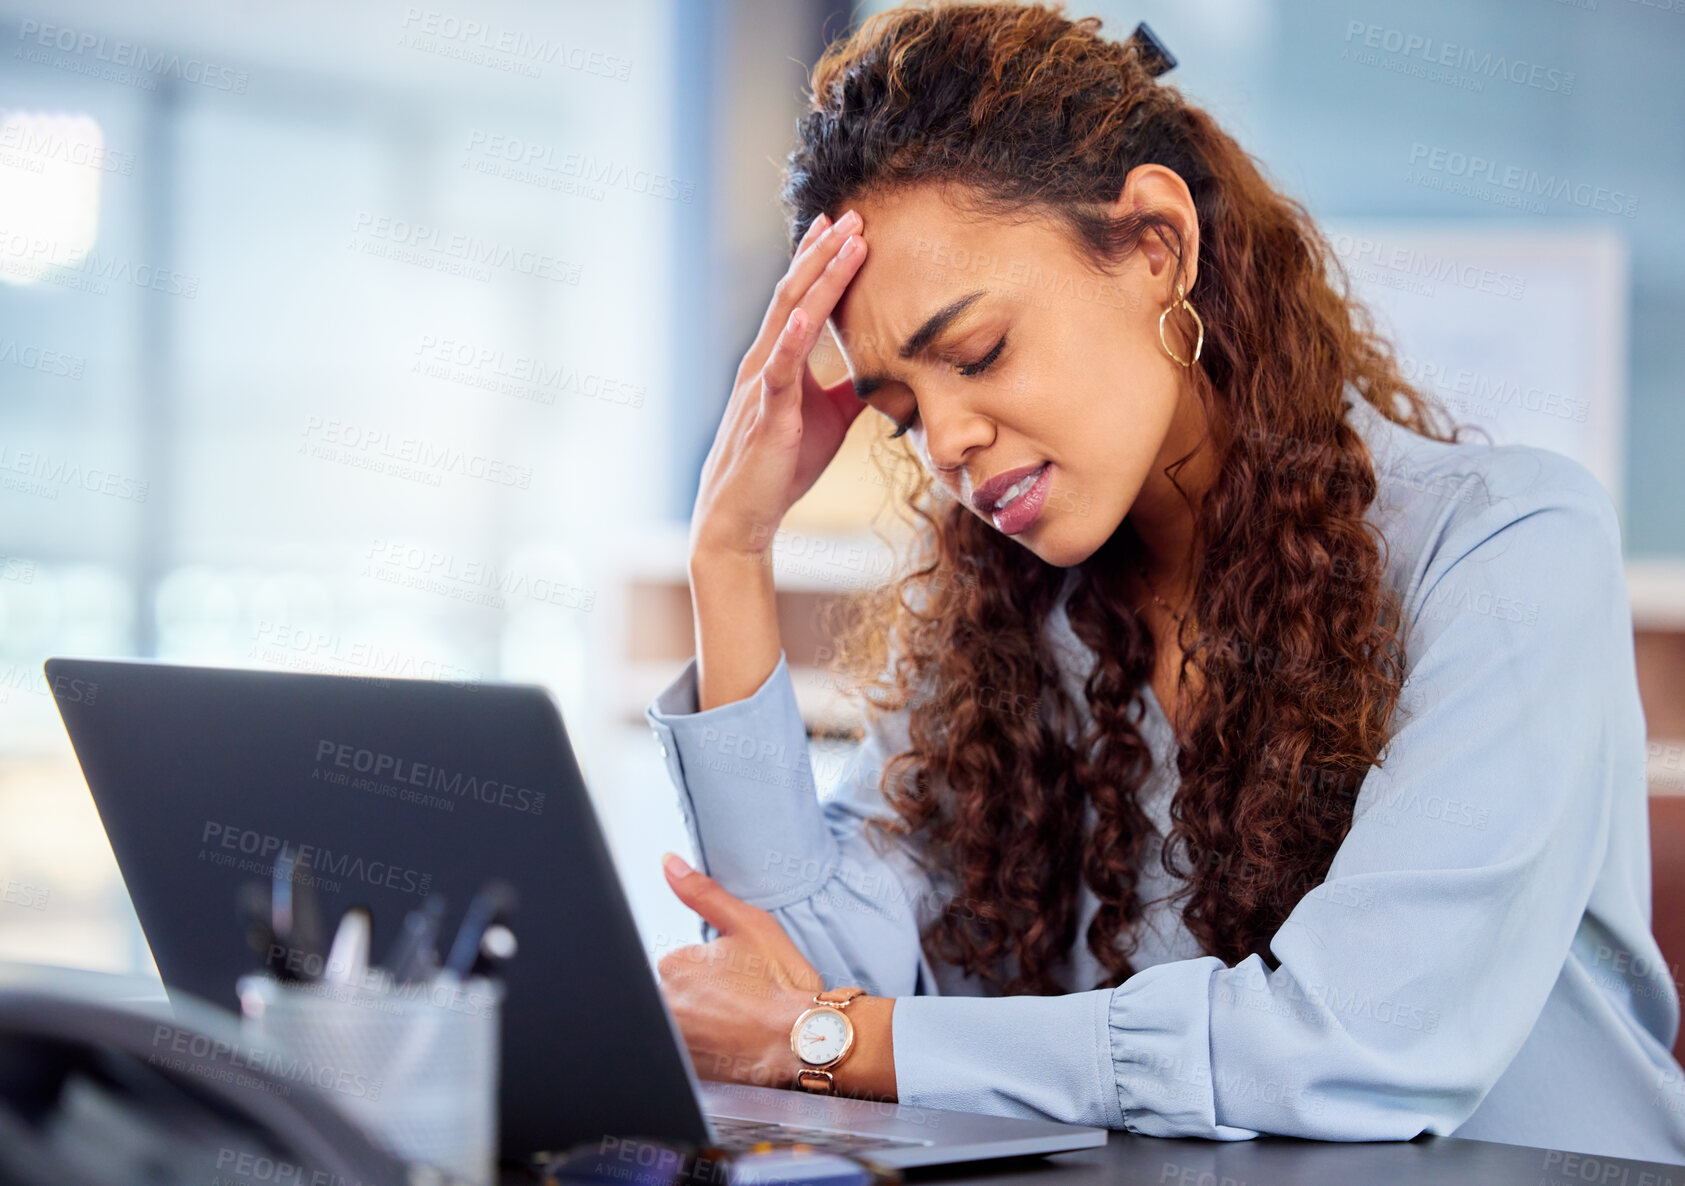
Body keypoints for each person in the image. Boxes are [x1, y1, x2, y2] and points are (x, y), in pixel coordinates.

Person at [644, 0, 1685, 1165]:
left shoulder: (1507, 547)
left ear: (1156, 246)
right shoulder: (1015, 623)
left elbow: (1348, 1044)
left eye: (977, 355)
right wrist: (729, 557)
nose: (945, 442)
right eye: (897, 415)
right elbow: (792, 995)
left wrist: (841, 1038)